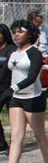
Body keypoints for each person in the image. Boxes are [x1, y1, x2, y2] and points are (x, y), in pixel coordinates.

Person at [0, 19, 48, 163]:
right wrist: (12, 90)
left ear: (30, 34)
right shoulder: (14, 53)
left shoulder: (34, 53)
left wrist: (13, 88)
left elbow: (32, 77)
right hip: (16, 99)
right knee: (16, 137)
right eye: (14, 32)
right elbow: (3, 73)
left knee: (40, 136)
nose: (16, 34)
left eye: (20, 31)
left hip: (33, 99)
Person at [0, 24, 15, 152]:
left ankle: (15, 145)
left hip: (10, 87)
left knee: (14, 118)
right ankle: (2, 144)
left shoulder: (11, 49)